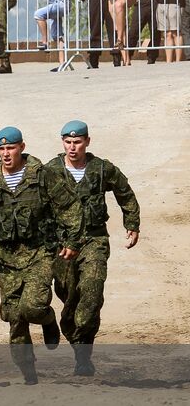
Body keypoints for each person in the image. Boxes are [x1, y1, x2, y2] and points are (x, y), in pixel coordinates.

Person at [0, 126, 80, 383]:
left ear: (22, 147)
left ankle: (49, 319)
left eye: (11, 148)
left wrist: (72, 240)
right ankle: (27, 370)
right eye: (1, 149)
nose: (6, 154)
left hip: (39, 252)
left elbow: (69, 207)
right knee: (14, 317)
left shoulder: (42, 175)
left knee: (32, 307)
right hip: (6, 257)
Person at [54, 121, 139, 376]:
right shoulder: (50, 171)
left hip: (94, 240)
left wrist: (132, 223)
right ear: (62, 143)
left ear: (87, 142)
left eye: (77, 142)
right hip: (60, 244)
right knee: (68, 299)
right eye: (68, 142)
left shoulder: (101, 169)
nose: (72, 147)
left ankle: (83, 354)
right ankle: (77, 341)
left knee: (91, 291)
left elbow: (125, 193)